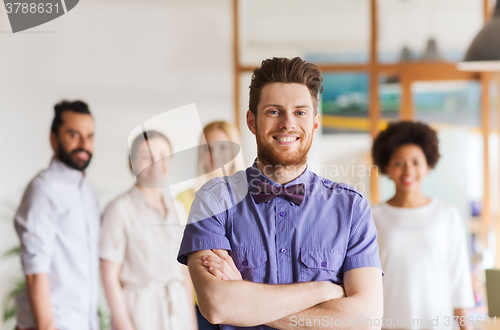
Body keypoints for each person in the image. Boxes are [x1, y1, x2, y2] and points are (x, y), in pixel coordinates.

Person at [177, 57, 384, 330]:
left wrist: (244, 302)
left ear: (315, 123)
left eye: (300, 112)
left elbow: (366, 318)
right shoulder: (213, 201)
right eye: (274, 111)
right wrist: (322, 291)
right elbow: (217, 306)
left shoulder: (351, 208)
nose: (287, 123)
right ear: (251, 121)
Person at [371, 121, 475, 330]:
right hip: (389, 324)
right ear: (387, 168)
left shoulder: (447, 214)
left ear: (428, 166)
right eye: (399, 162)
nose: (408, 169)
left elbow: (460, 280)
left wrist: (466, 327)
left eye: (416, 162)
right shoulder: (372, 216)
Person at [14, 100, 99, 330]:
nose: (84, 144)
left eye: (89, 136)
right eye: (74, 135)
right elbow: (35, 272)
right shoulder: (43, 190)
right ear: (54, 139)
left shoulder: (88, 191)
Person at [100, 130, 197, 330]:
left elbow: (184, 272)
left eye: (164, 156)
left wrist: (192, 323)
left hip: (179, 313)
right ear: (132, 162)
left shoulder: (177, 208)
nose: (156, 163)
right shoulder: (119, 210)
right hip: (141, 314)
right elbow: (109, 277)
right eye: (146, 156)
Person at [176, 121, 245, 330]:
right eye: (208, 148)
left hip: (244, 303)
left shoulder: (250, 199)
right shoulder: (184, 200)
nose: (215, 155)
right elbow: (184, 268)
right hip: (201, 309)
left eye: (223, 147)